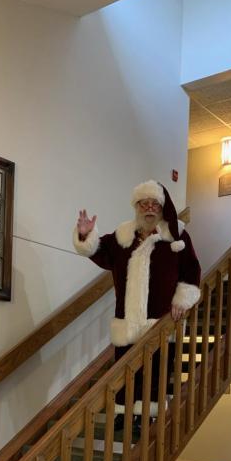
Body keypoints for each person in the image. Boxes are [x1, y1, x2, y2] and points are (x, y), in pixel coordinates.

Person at [73, 179, 201, 424]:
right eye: (144, 204)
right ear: (137, 207)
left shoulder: (176, 236)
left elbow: (192, 270)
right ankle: (124, 414)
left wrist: (182, 299)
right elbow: (98, 250)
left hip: (161, 321)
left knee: (155, 374)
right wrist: (85, 234)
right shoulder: (122, 237)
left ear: (162, 208)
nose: (149, 208)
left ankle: (148, 416)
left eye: (155, 204)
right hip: (127, 320)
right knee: (125, 371)